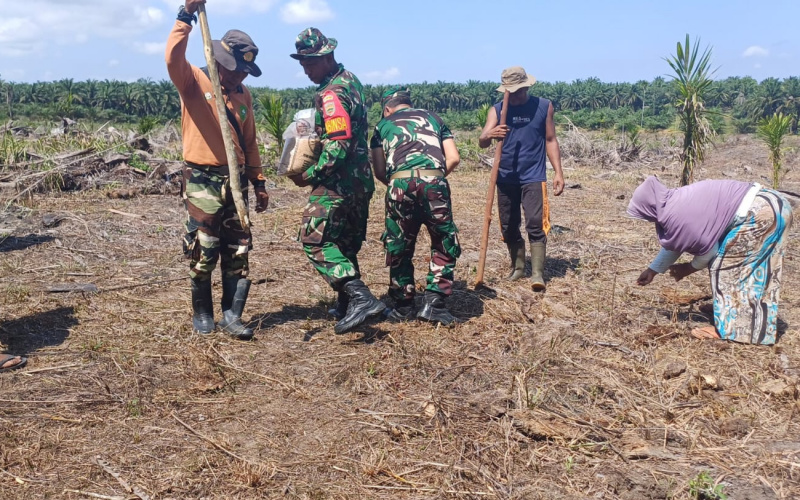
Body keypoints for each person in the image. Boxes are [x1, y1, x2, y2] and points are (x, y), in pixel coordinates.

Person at [166, 0, 269, 340]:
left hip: (236, 181)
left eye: (245, 71)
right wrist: (186, 17)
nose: (240, 76)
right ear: (222, 62)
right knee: (204, 246)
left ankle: (231, 314)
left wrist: (259, 181)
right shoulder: (194, 81)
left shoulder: (243, 95)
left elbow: (250, 140)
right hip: (203, 180)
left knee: (238, 248)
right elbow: (172, 57)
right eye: (237, 69)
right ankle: (203, 313)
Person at [288, 28, 384, 334]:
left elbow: (338, 142)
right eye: (302, 63)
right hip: (359, 180)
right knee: (343, 241)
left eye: (310, 63)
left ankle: (359, 297)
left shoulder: (331, 93)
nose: (306, 70)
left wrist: (312, 174)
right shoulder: (351, 81)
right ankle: (346, 304)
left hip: (338, 182)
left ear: (327, 57)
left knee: (314, 239)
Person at [629, 176, 793, 345]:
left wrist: (688, 268)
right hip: (775, 205)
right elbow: (678, 241)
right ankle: (739, 317)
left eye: (644, 214)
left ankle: (732, 331)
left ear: (650, 207)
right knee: (752, 270)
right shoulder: (676, 202)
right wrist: (652, 270)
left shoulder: (676, 214)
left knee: (724, 266)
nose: (646, 219)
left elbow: (709, 251)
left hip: (761, 214)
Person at [370, 87, 462, 325]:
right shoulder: (435, 119)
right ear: (409, 104)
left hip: (399, 183)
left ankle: (403, 306)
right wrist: (434, 178)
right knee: (443, 240)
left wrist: (398, 184)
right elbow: (453, 158)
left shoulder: (382, 126)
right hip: (435, 180)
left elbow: (380, 170)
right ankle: (435, 303)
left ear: (387, 108)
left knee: (399, 243)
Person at [479, 66, 565, 291]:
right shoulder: (497, 110)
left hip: (533, 176)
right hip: (505, 177)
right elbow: (482, 140)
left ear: (526, 87)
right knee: (508, 225)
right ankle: (518, 268)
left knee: (536, 224)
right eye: (509, 91)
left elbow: (550, 139)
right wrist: (490, 134)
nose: (513, 95)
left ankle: (537, 273)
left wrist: (558, 172)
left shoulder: (543, 106)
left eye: (517, 90)